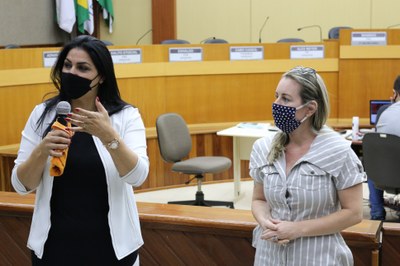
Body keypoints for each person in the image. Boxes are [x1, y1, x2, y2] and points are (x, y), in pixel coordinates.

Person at [11, 35, 149, 265]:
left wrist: (108, 136)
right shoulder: (43, 114)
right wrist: (42, 150)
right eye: (67, 65)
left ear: (101, 76)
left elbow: (138, 176)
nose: (71, 73)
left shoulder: (125, 117)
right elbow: (20, 185)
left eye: (82, 68)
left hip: (112, 248)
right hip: (54, 247)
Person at [250, 66, 366, 265]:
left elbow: (353, 213)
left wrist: (297, 229)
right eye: (276, 96)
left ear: (310, 109)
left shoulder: (339, 151)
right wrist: (264, 221)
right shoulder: (263, 148)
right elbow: (259, 199)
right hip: (269, 256)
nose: (276, 104)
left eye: (286, 99)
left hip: (317, 257)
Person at [368, 75, 400, 220]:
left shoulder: (383, 111)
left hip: (383, 174)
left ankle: (377, 212)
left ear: (395, 93)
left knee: (371, 165)